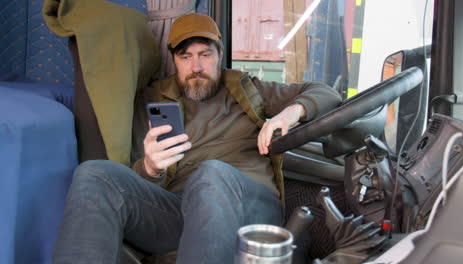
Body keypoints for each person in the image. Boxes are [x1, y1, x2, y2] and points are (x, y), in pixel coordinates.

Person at [53, 13, 342, 264]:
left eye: (205, 54)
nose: (196, 67)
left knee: (211, 172)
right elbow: (141, 181)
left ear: (219, 54)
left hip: (248, 204)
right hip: (181, 210)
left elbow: (326, 92)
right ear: (174, 59)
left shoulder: (245, 88)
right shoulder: (153, 101)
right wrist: (150, 169)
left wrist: (289, 114)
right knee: (94, 174)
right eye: (185, 56)